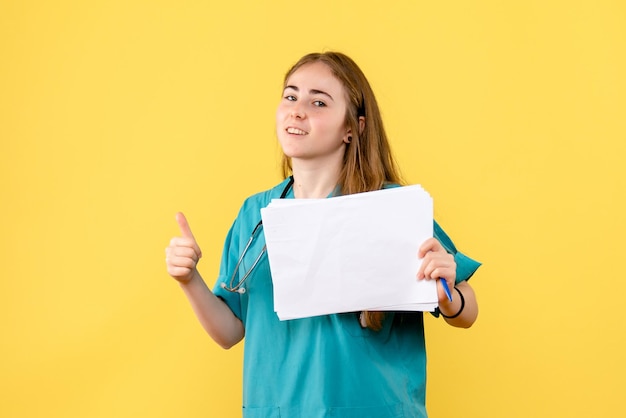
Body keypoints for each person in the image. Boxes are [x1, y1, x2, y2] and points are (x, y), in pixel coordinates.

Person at [165, 51, 481, 418]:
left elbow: (467, 309)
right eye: (290, 96)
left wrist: (447, 291)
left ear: (354, 128)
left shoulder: (391, 207)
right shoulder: (256, 214)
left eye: (318, 102)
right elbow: (230, 332)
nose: (297, 110)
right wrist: (189, 279)